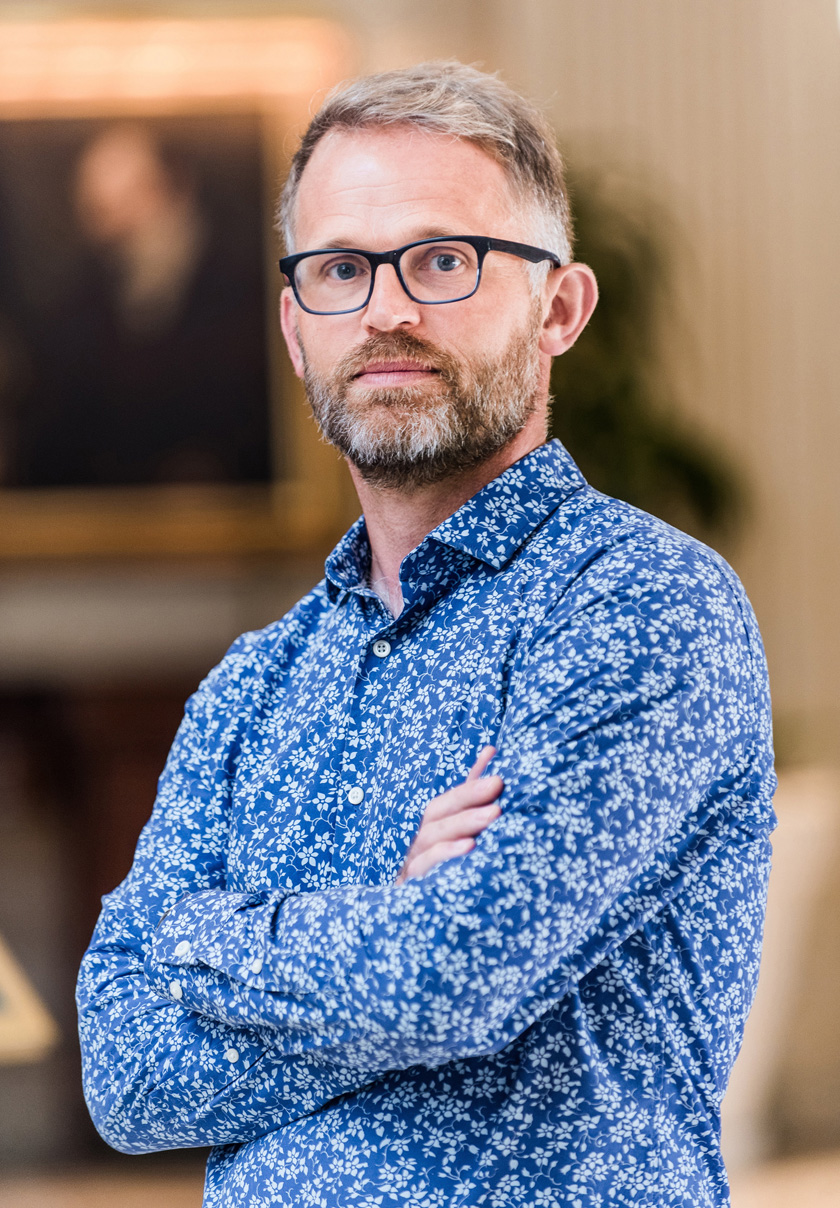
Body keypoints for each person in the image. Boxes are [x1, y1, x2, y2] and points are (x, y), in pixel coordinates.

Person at [77, 62, 776, 1207]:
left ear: (559, 307)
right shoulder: (254, 685)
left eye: (444, 259)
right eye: (342, 269)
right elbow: (124, 1071)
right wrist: (383, 912)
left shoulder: (646, 604)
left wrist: (218, 937)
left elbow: (459, 976)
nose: (387, 309)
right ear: (296, 327)